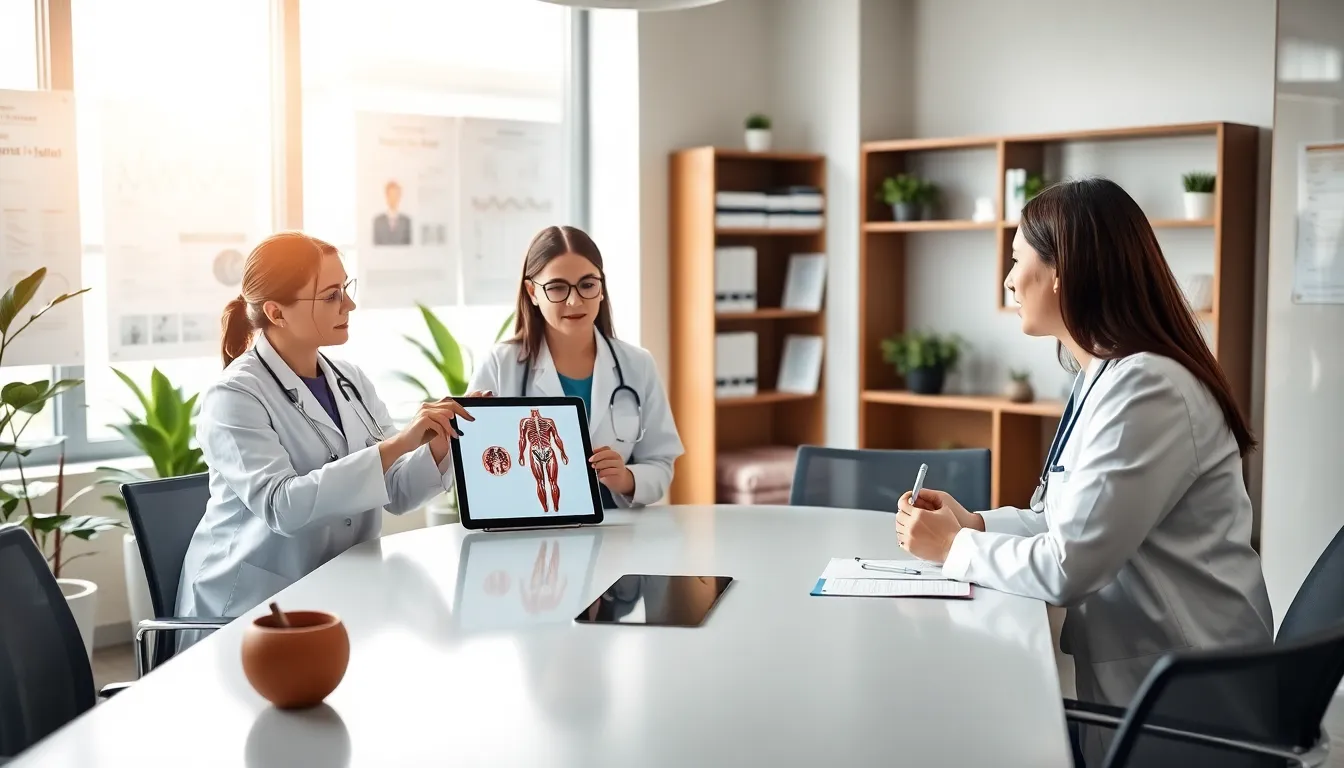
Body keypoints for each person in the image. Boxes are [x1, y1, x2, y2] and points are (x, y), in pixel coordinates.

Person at [893, 179, 1272, 710]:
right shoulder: (1105, 374)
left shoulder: (1148, 389)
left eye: (1016, 259)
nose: (1006, 280)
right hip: (1151, 672)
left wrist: (953, 548)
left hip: (1188, 692)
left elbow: (1068, 566)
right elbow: (1066, 520)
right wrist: (976, 525)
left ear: (1060, 273)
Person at [178, 232, 483, 621]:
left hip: (343, 592)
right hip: (252, 604)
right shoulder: (234, 395)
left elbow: (398, 493)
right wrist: (399, 444)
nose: (349, 304)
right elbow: (282, 506)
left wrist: (441, 441)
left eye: (345, 289)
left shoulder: (349, 380)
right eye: (331, 296)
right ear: (276, 313)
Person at [470, 225, 684, 509]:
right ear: (532, 292)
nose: (574, 300)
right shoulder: (500, 364)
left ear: (601, 288)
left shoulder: (638, 364)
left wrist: (627, 478)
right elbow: (476, 462)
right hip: (527, 530)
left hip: (616, 536)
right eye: (557, 287)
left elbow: (661, 463)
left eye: (587, 284)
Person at [372, 180, 412, 246]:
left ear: (399, 197)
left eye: (396, 195)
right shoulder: (377, 221)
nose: (393, 198)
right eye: (391, 195)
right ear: (386, 197)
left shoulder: (406, 221)